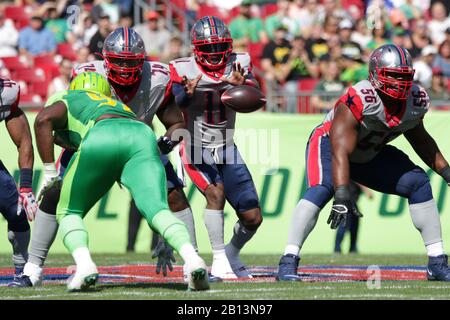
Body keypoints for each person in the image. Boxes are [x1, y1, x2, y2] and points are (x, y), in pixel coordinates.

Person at [12, 27, 197, 287]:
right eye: (118, 61)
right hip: (92, 141)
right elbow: (67, 124)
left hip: (140, 145)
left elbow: (177, 125)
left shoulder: (156, 78)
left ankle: (193, 261)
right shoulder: (88, 75)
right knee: (55, 194)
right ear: (105, 60)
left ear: (142, 60)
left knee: (174, 194)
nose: (123, 68)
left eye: (130, 62)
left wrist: (162, 146)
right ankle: (33, 269)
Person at [277, 44, 450, 282]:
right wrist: (341, 192)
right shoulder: (361, 97)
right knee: (322, 189)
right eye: (393, 76)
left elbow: (421, 141)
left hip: (369, 154)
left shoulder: (415, 100)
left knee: (418, 182)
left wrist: (446, 171)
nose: (400, 83)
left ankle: (437, 262)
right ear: (375, 74)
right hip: (330, 145)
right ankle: (288, 260)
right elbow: (339, 149)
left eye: (404, 77)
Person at [31, 72, 209, 292]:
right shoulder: (115, 104)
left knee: (69, 211)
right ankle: (192, 259)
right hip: (142, 135)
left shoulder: (68, 97)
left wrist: (49, 172)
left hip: (101, 135)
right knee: (159, 211)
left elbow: (42, 121)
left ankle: (85, 265)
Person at [170, 16, 263, 279]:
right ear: (195, 48)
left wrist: (243, 84)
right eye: (208, 47)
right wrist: (186, 94)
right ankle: (218, 260)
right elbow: (175, 104)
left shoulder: (239, 63)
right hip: (195, 145)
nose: (214, 52)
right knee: (215, 194)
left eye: (219, 46)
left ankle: (232, 254)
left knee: (252, 217)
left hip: (226, 146)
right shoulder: (182, 68)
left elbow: (256, 94)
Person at [0, 78, 38, 283]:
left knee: (16, 211)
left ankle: (21, 269)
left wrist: (25, 187)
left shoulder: (6, 94)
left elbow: (23, 140)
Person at [334, 181, 373, 254]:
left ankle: (352, 248)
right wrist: (366, 190)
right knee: (343, 226)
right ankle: (337, 249)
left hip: (352, 203)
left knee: (354, 227)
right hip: (347, 202)